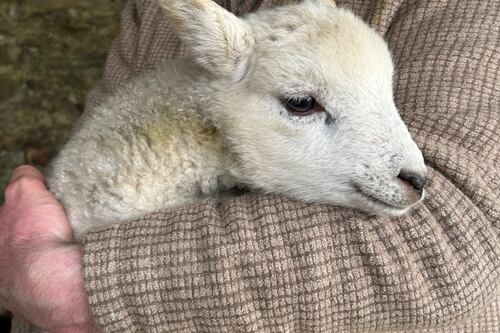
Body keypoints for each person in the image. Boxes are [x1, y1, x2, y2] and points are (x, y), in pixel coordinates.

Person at [1, 0, 499, 332]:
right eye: (304, 102)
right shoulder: (158, 15)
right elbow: (96, 157)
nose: (407, 163)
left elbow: (454, 250)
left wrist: (72, 283)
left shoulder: (459, 10)